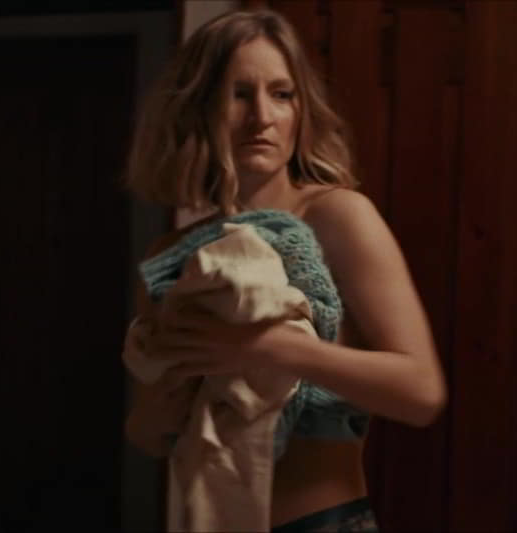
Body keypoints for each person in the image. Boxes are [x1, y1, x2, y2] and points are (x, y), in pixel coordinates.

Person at [122, 8, 446, 532]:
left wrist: (265, 348)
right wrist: (176, 384)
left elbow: (421, 392)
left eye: (281, 94)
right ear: (198, 107)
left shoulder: (338, 215)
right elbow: (147, 434)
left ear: (302, 109)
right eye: (238, 94)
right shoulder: (175, 256)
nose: (262, 117)